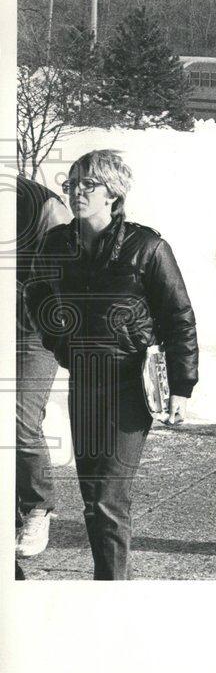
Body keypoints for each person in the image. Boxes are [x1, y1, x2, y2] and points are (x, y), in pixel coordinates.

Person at [26, 150, 198, 579]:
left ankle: (110, 592)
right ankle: (107, 582)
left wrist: (182, 385)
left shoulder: (147, 247)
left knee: (107, 497)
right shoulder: (58, 243)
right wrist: (59, 340)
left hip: (129, 385)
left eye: (89, 185)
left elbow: (180, 316)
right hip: (85, 380)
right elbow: (36, 292)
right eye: (73, 183)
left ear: (113, 194)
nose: (77, 192)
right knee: (91, 498)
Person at [15, 176, 72, 559]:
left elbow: (73, 272)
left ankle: (38, 506)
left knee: (19, 419)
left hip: (35, 328)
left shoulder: (43, 206)